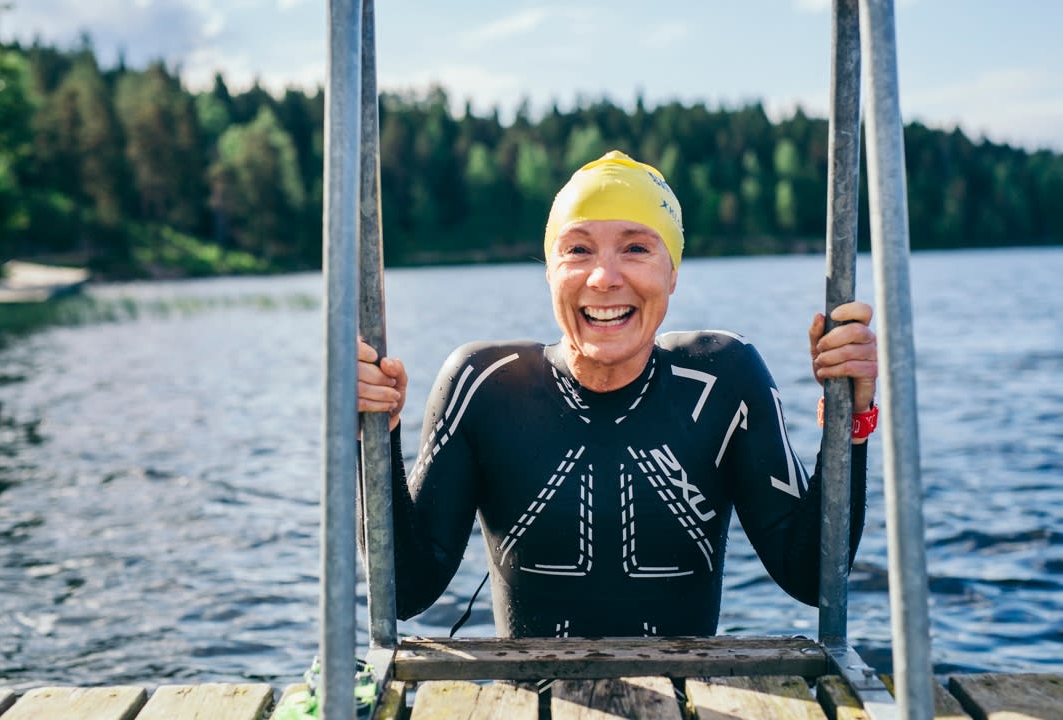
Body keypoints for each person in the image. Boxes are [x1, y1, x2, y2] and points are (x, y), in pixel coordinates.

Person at [357, 150, 878, 638]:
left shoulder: (723, 380)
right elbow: (405, 591)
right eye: (578, 250)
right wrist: (375, 432)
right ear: (550, 272)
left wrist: (850, 420)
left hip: (688, 695)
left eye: (636, 248)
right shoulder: (485, 386)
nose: (604, 278)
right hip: (532, 696)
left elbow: (813, 576)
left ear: (672, 274)